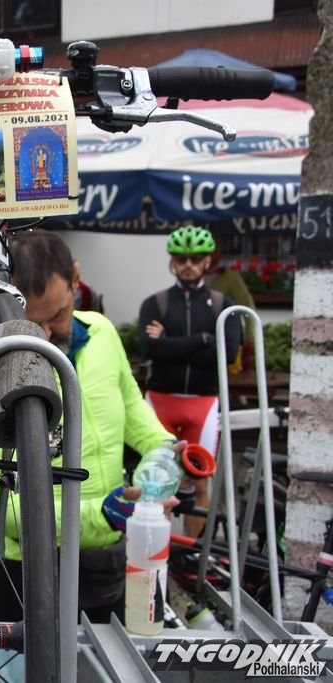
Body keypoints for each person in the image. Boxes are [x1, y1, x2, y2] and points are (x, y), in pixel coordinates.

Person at [0, 229, 178, 623]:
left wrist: (163, 451)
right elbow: (4, 512)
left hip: (105, 557)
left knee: (111, 654)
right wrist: (102, 515)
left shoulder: (102, 332)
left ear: (76, 278)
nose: (46, 336)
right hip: (29, 566)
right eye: (31, 322)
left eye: (57, 315)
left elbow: (133, 410)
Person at [138, 226, 241, 537]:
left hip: (203, 402)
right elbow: (150, 349)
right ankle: (159, 550)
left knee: (199, 482)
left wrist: (170, 343)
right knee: (156, 481)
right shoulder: (155, 303)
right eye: (181, 259)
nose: (188, 265)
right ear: (172, 261)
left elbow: (227, 353)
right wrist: (203, 340)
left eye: (195, 259)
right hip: (161, 400)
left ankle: (191, 552)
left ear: (207, 261)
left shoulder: (224, 304)